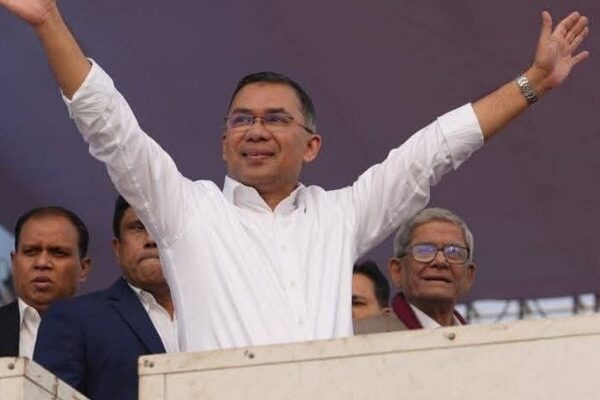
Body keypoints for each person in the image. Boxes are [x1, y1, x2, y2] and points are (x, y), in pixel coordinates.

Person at [0, 1, 590, 351]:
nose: (255, 130)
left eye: (275, 119)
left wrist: (534, 81)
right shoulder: (188, 211)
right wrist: (49, 21)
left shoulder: (340, 216)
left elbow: (433, 150)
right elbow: (110, 127)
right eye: (242, 120)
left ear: (312, 145)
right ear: (223, 142)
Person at [33, 196, 177, 400]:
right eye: (138, 227)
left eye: (161, 226)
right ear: (118, 248)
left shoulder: (214, 314)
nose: (151, 240)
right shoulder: (74, 318)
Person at [355, 208, 474, 334]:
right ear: (397, 271)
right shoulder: (359, 335)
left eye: (454, 252)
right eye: (424, 250)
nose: (440, 261)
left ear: (469, 275)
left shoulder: (482, 339)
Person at [0, 206, 90, 357]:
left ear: (83, 268)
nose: (42, 263)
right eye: (30, 252)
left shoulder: (110, 331)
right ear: (14, 263)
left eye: (58, 253)